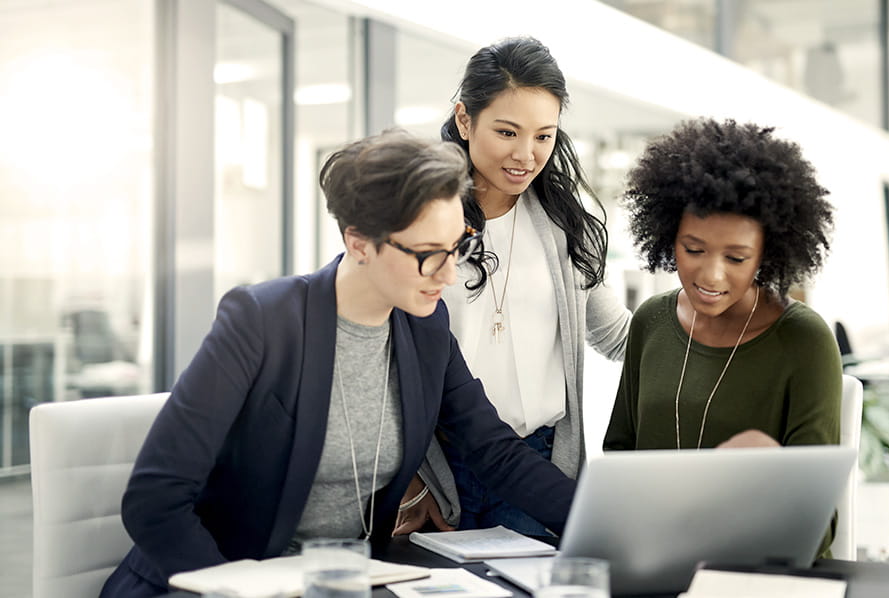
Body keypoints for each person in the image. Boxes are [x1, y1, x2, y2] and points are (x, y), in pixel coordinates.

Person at [99, 130, 577, 598]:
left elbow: (495, 451)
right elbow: (155, 499)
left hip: (343, 582)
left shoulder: (424, 329)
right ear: (360, 243)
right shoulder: (262, 321)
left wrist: (596, 524)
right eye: (430, 255)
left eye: (458, 247)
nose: (450, 273)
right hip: (221, 581)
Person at [394, 37, 631, 537]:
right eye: (507, 131)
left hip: (540, 464)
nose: (526, 154)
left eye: (544, 136)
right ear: (464, 120)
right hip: (440, 470)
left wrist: (716, 325)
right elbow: (383, 358)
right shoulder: (418, 222)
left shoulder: (567, 226)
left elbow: (617, 336)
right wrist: (412, 479)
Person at [602, 117, 841, 554]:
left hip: (756, 570)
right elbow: (619, 458)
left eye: (736, 257)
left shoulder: (804, 342)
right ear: (667, 235)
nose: (710, 275)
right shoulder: (651, 321)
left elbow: (817, 524)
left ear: (767, 255)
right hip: (652, 559)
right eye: (693, 250)